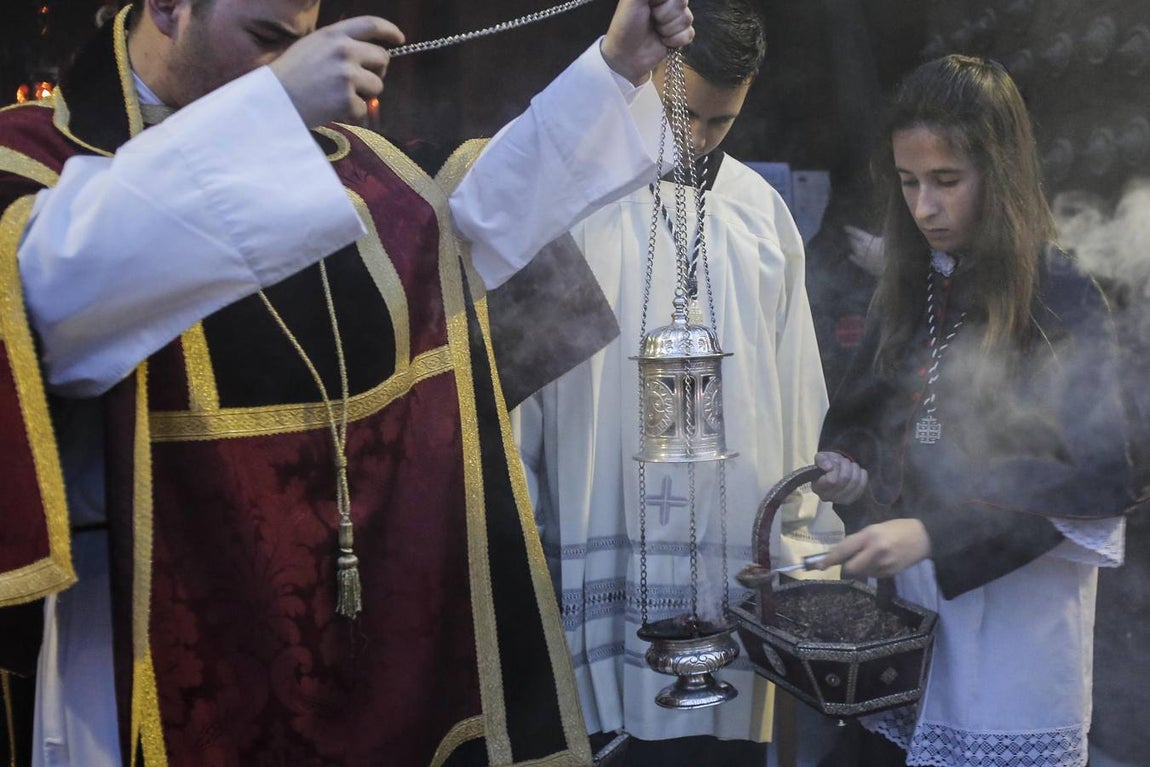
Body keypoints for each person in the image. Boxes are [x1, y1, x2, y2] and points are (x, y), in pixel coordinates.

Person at [0, 0, 696, 764]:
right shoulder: (32, 167)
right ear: (168, 7)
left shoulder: (345, 159)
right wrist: (270, 107)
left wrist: (613, 69)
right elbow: (61, 300)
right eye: (267, 41)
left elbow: (460, 243)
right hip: (163, 640)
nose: (299, 70)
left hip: (372, 654)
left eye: (302, 45)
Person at [512, 1, 841, 764]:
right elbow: (523, 392)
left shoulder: (763, 218)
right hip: (601, 540)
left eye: (720, 123)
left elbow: (799, 394)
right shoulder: (570, 201)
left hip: (728, 556)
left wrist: (800, 546)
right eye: (679, 114)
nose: (694, 140)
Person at [811, 55, 1144, 767]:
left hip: (1015, 627)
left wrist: (935, 530)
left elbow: (1103, 478)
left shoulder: (1061, 294)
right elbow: (867, 425)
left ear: (1000, 174)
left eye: (946, 182)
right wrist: (853, 477)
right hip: (912, 620)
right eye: (908, 183)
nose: (924, 207)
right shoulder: (906, 289)